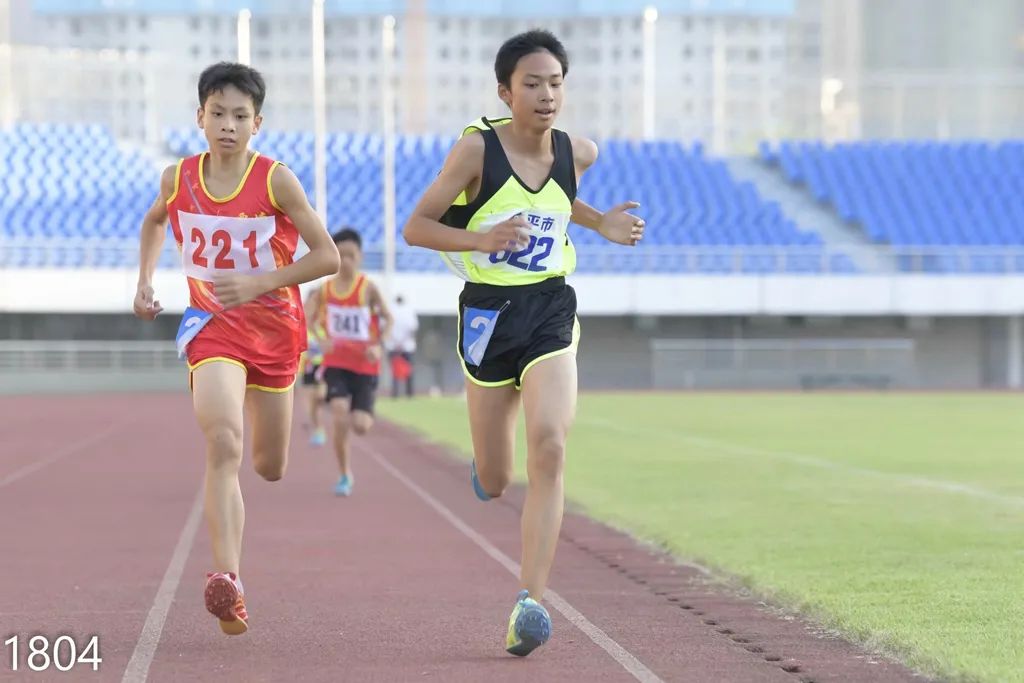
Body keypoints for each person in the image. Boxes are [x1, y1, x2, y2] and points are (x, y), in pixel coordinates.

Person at [403, 30, 645, 657]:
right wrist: (481, 240)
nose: (545, 95)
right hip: (488, 314)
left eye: (555, 83)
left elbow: (560, 202)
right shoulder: (475, 152)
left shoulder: (578, 151)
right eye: (531, 84)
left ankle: (530, 603)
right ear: (505, 91)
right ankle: (486, 472)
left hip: (548, 308)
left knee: (551, 445)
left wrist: (602, 224)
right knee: (498, 473)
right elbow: (416, 227)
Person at [133, 62, 339, 636]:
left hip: (274, 333)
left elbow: (328, 257)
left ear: (258, 123)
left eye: (240, 116)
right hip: (211, 327)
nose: (228, 124)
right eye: (217, 113)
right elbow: (154, 222)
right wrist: (145, 280)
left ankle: (235, 562)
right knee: (223, 441)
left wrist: (259, 283)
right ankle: (230, 583)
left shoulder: (276, 180)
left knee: (269, 467)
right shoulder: (179, 178)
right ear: (199, 116)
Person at [304, 228, 392, 496]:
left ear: (360, 257)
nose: (346, 261)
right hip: (336, 363)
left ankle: (362, 413)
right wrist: (321, 339)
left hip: (365, 365)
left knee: (361, 426)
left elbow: (389, 319)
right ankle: (344, 474)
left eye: (351, 255)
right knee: (340, 412)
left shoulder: (368, 288)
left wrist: (379, 346)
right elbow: (307, 320)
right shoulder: (324, 290)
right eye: (341, 255)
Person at [300, 292, 328, 446]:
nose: (311, 307)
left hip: (323, 365)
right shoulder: (302, 322)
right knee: (310, 402)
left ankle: (318, 424)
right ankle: (318, 429)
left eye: (314, 304)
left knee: (320, 397)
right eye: (309, 304)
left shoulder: (324, 322)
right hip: (308, 366)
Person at [386, 293, 419, 398]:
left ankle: (395, 394)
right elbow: (412, 329)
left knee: (395, 371)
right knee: (408, 371)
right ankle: (409, 393)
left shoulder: (390, 311)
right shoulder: (409, 311)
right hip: (407, 346)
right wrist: (402, 342)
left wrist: (396, 342)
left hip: (392, 345)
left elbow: (386, 328)